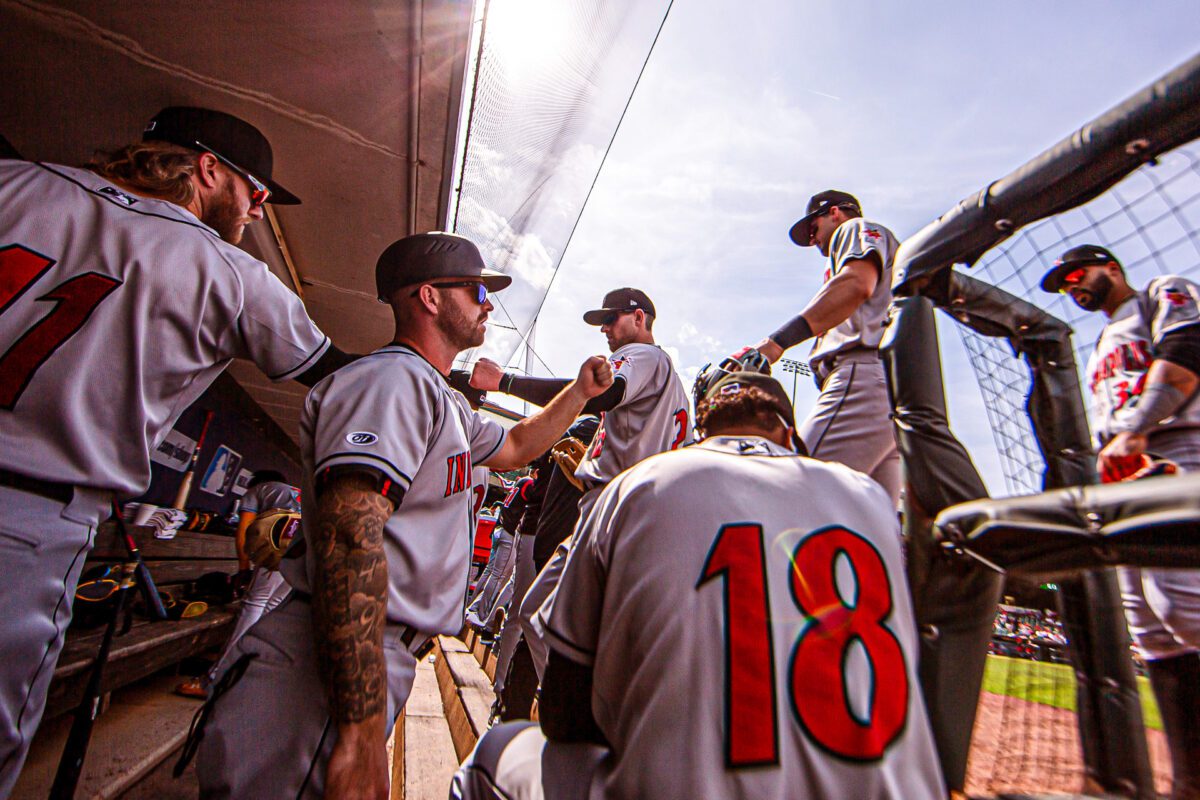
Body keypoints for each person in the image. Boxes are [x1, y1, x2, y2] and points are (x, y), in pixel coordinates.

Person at [0, 106, 357, 795]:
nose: (258, 208)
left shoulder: (17, 182)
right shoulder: (232, 273)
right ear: (207, 169)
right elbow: (347, 377)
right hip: (30, 520)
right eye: (255, 190)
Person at [192, 231, 613, 799]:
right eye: (475, 290)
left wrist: (580, 395)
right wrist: (362, 735)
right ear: (430, 298)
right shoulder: (389, 381)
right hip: (327, 663)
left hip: (361, 655)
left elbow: (516, 445)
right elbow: (348, 537)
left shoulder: (441, 399)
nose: (488, 304)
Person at [452, 370, 943, 800]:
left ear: (701, 431)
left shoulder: (641, 482)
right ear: (790, 435)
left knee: (492, 756)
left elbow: (563, 715)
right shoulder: (871, 501)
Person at [1041, 243, 1200, 798]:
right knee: (1152, 630)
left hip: (1180, 451)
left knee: (1185, 608)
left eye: (1077, 275)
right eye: (1064, 284)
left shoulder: (1162, 292)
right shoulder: (1101, 343)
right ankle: (1188, 783)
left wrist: (1137, 424)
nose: (1072, 287)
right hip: (1126, 472)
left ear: (1112, 267)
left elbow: (1188, 351)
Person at [471, 288, 691, 676]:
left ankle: (581, 716)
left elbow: (599, 394)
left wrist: (503, 381)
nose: (605, 328)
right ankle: (569, 709)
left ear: (639, 318)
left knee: (550, 621)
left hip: (616, 509)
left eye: (613, 318)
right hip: (632, 511)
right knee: (537, 613)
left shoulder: (642, 354)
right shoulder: (675, 388)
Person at [740, 189, 902, 506]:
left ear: (835, 213)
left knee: (792, 495)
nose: (812, 241)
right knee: (873, 524)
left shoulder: (852, 230)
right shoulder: (869, 243)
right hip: (890, 386)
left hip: (862, 376)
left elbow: (856, 284)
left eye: (813, 229)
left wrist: (777, 342)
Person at [175, 469, 300, 699]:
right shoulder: (293, 492)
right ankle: (244, 675)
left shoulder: (256, 490)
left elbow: (243, 530)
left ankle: (214, 679)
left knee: (254, 605)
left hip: (283, 540)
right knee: (270, 609)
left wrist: (243, 569)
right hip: (306, 551)